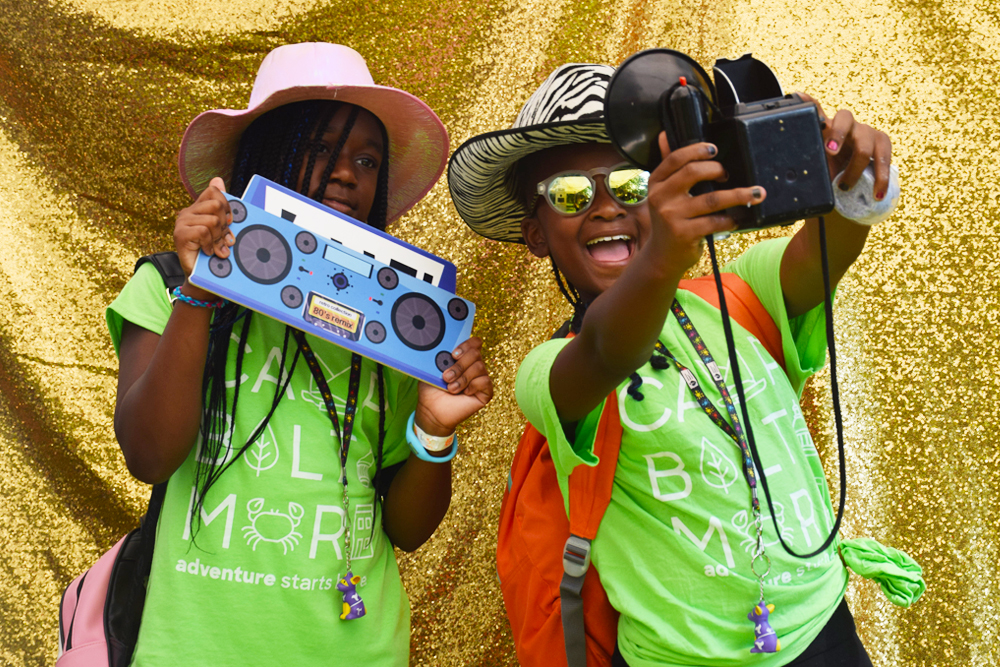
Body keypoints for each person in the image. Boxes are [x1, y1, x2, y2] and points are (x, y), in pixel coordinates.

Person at [448, 63, 912, 666]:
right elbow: (607, 351)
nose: (607, 205)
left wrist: (852, 173)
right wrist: (667, 251)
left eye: (633, 184)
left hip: (823, 633)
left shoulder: (740, 294)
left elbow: (828, 244)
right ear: (537, 235)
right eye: (569, 193)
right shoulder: (546, 369)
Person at [108, 43, 492, 666]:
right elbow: (149, 454)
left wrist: (434, 433)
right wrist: (202, 290)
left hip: (354, 650)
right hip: (195, 647)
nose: (347, 173)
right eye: (317, 149)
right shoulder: (168, 284)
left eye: (367, 160)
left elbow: (410, 530)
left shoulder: (393, 326)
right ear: (263, 156)